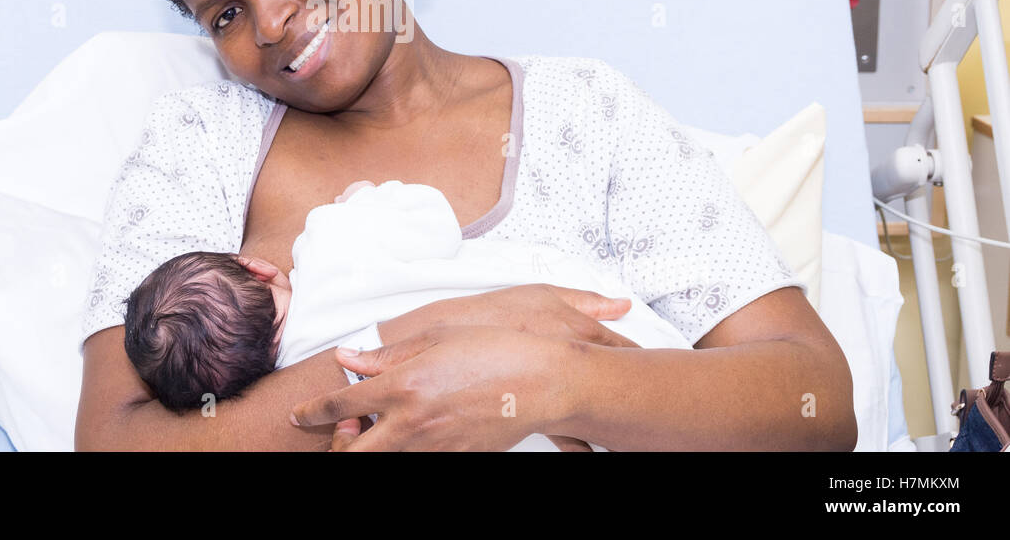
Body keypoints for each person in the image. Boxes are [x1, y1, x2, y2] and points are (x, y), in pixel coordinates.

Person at [74, 0, 856, 451]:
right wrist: (433, 338)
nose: (271, 22)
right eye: (228, 15)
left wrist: (552, 384)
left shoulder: (586, 112)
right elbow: (114, 443)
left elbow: (813, 399)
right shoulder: (200, 145)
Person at [121, 179, 691, 426]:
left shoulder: (310, 377)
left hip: (525, 409)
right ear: (257, 266)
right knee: (658, 367)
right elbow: (434, 221)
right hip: (571, 308)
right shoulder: (327, 243)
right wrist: (362, 198)